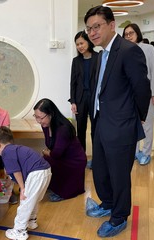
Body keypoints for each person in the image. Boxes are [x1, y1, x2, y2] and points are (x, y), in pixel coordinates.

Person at [84, 5, 151, 238]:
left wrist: (138, 118)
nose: (92, 32)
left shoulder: (128, 50)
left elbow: (142, 89)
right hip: (101, 122)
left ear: (112, 25)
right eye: (89, 28)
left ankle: (120, 215)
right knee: (100, 168)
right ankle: (108, 202)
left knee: (119, 173)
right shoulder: (100, 54)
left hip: (122, 125)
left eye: (97, 26)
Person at [0, 126, 52, 240]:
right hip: (46, 171)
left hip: (36, 174)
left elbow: (16, 171)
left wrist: (22, 188)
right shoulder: (15, 149)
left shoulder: (6, 152)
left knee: (25, 201)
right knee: (33, 200)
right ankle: (31, 221)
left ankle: (19, 231)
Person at [33, 98, 86, 202]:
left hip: (74, 161)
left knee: (45, 159)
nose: (38, 121)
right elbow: (50, 146)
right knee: (43, 160)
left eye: (40, 117)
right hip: (62, 157)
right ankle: (53, 185)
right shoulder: (46, 125)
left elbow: (56, 153)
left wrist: (46, 152)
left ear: (51, 114)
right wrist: (47, 152)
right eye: (36, 117)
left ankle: (64, 191)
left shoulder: (63, 128)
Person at [123, 23, 154, 165]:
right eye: (126, 34)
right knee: (133, 125)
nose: (128, 36)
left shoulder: (148, 48)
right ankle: (134, 151)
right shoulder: (124, 50)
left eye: (131, 33)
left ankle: (146, 153)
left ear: (137, 33)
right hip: (130, 95)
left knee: (147, 125)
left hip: (147, 94)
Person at [69, 30, 98, 168]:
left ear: (88, 42)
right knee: (80, 129)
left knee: (96, 129)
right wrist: (73, 101)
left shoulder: (99, 57)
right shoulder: (76, 61)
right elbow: (73, 82)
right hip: (80, 99)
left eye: (82, 43)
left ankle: (97, 158)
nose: (80, 46)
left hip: (94, 99)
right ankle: (82, 158)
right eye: (77, 44)